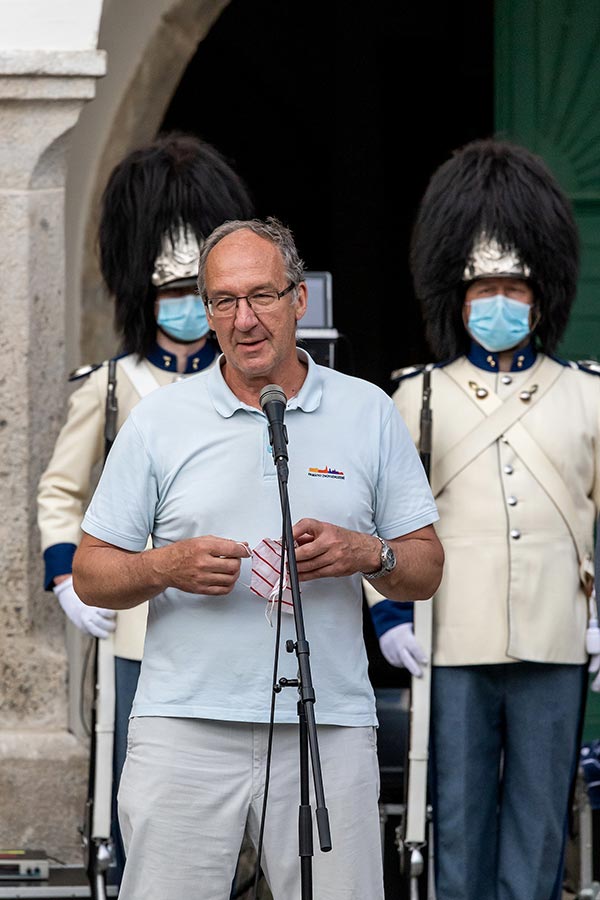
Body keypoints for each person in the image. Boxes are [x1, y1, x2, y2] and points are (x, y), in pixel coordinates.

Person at [72, 215, 444, 899]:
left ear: (299, 299)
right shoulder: (158, 420)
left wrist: (367, 551)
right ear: (207, 311)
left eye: (262, 296)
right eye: (224, 301)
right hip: (184, 726)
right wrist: (164, 567)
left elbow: (425, 567)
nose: (244, 319)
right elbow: (92, 573)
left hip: (325, 726)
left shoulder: (369, 413)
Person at [366, 137, 600, 900]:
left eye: (516, 287)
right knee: (456, 822)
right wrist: (389, 614)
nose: (499, 303)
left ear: (544, 294)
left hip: (556, 631)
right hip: (451, 636)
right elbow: (380, 516)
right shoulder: (418, 397)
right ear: (455, 299)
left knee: (541, 825)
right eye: (481, 289)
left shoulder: (586, 393)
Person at [36, 131, 255, 885]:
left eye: (197, 296)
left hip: (235, 619)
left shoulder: (247, 390)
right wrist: (68, 578)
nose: (186, 311)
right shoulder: (111, 385)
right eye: (170, 296)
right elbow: (64, 491)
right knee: (143, 803)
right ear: (144, 296)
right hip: (138, 624)